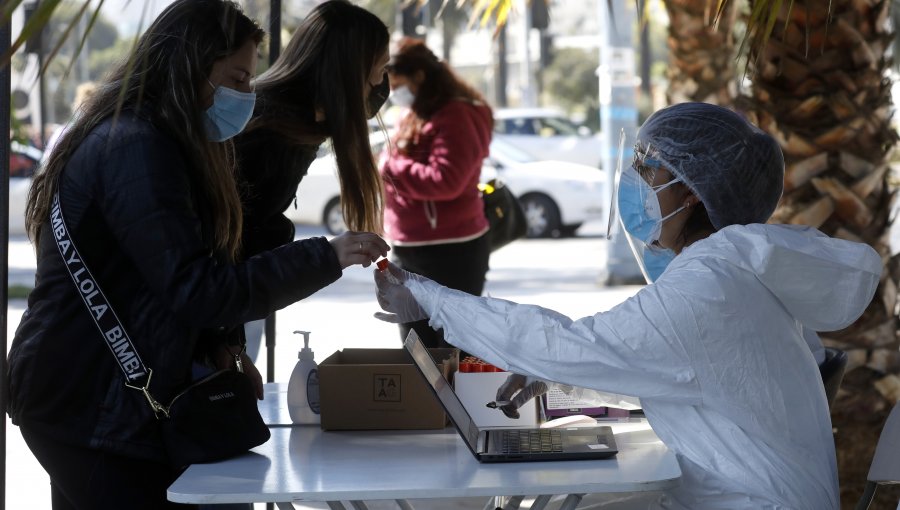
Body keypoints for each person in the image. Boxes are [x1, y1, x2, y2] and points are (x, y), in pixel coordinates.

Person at [374, 102, 882, 509]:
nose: (634, 178)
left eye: (649, 167)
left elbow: (573, 343)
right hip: (731, 489)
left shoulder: (711, 286)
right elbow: (663, 358)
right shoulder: (730, 269)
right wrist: (551, 373)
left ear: (695, 192)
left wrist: (428, 297)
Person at [6, 1, 389, 508]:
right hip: (89, 401)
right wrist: (325, 255)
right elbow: (200, 288)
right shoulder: (134, 147)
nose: (249, 96)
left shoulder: (156, 139)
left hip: (97, 395)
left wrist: (222, 349)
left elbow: (179, 279)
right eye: (237, 78)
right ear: (188, 64)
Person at [234, 0, 391, 361]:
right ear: (350, 73)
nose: (383, 86)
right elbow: (229, 256)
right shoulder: (273, 134)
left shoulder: (296, 123)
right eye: (380, 71)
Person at [378, 37, 493, 350]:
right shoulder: (412, 112)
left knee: (450, 351)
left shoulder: (458, 114)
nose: (391, 91)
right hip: (407, 248)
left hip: (451, 252)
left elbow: (447, 180)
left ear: (419, 76)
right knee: (416, 351)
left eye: (395, 82)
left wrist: (390, 166)